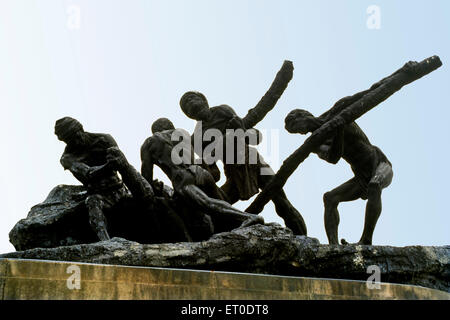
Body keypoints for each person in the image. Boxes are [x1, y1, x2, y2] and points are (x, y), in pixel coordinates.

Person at [179, 91, 307, 236]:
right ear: (189, 115)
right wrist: (203, 167)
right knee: (217, 206)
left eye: (192, 98)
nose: (190, 103)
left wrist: (241, 129)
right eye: (186, 106)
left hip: (252, 159)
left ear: (204, 100)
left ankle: (304, 239)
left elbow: (253, 137)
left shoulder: (223, 110)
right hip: (233, 171)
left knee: (282, 203)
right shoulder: (197, 138)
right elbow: (215, 174)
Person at [140, 118, 263, 239]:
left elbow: (146, 178)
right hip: (201, 173)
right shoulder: (183, 133)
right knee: (221, 203)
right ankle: (236, 224)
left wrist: (153, 186)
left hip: (182, 178)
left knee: (206, 203)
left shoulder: (150, 142)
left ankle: (248, 217)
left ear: (155, 130)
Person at [284, 109, 393, 245]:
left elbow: (363, 97)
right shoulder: (315, 143)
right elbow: (333, 157)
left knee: (374, 185)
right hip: (360, 175)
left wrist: (383, 87)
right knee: (330, 198)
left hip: (379, 164)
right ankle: (333, 245)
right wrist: (339, 131)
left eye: (295, 126)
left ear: (304, 115)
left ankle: (366, 239)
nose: (301, 132)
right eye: (296, 132)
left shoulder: (337, 111)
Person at [54, 117, 130, 241]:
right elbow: (87, 174)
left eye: (76, 136)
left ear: (81, 129)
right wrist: (109, 165)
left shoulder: (104, 139)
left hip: (119, 188)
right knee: (92, 202)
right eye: (70, 141)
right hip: (99, 194)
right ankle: (106, 243)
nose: (76, 142)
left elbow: (123, 167)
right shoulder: (68, 157)